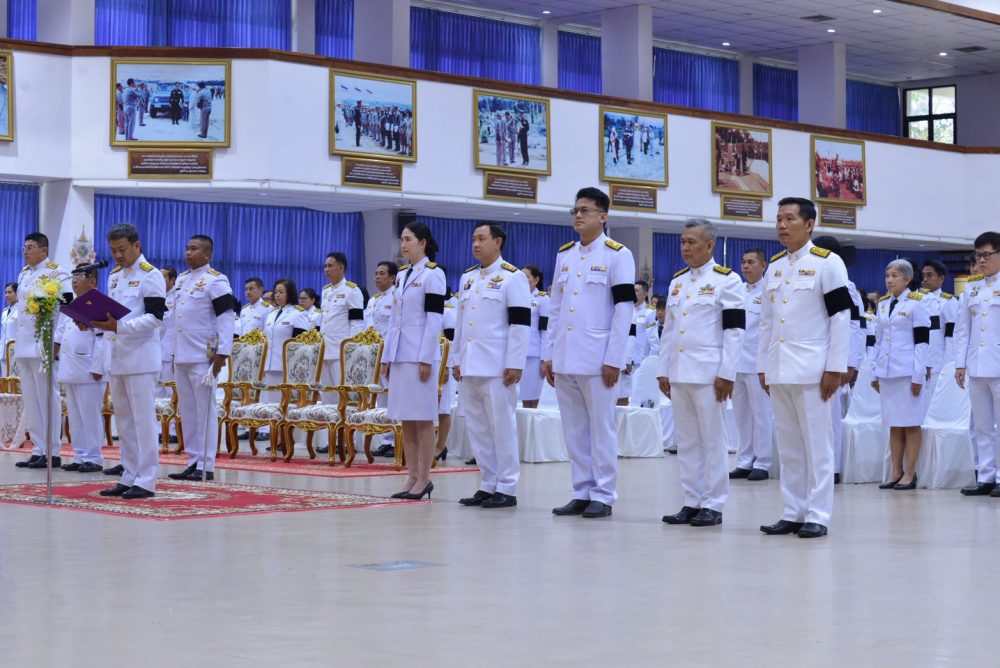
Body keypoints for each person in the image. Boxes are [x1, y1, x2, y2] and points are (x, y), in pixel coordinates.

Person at [757, 197, 851, 539]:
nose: (782, 225)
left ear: (809, 224)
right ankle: (793, 511)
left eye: (790, 219)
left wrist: (835, 368)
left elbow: (841, 317)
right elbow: (767, 322)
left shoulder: (828, 263)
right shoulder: (775, 267)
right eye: (778, 219)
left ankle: (818, 514)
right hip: (779, 367)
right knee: (789, 447)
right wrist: (762, 366)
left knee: (818, 446)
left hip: (813, 370)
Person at [542, 187, 636, 519]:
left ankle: (604, 493)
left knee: (601, 428)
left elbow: (624, 310)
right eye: (575, 210)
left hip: (598, 358)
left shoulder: (617, 254)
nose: (578, 215)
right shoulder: (565, 255)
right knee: (574, 429)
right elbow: (556, 308)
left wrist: (614, 358)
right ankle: (581, 490)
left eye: (585, 210)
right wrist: (549, 354)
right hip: (566, 356)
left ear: (603, 217)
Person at [658, 220, 745, 527]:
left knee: (713, 440)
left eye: (692, 242)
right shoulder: (678, 281)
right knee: (687, 441)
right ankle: (692, 500)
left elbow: (734, 331)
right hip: (680, 372)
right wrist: (663, 370)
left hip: (710, 374)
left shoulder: (727, 280)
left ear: (709, 245)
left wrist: (727, 373)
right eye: (683, 242)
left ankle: (714, 503)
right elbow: (669, 330)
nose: (685, 248)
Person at [453, 223, 531, 508]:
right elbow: (461, 323)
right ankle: (488, 482)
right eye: (473, 239)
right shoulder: (468, 277)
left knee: (502, 426)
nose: (475, 244)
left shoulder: (513, 277)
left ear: (498, 242)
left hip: (498, 366)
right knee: (478, 427)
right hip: (470, 363)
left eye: (482, 239)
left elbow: (520, 324)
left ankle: (507, 486)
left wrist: (515, 362)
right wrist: (456, 359)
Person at [92, 223, 167, 499]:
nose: (117, 255)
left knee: (143, 422)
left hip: (141, 359)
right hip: (117, 356)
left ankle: (146, 480)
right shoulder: (114, 276)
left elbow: (155, 318)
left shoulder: (151, 275)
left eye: (122, 249)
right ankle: (129, 474)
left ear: (137, 246)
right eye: (113, 250)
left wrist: (119, 327)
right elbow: (112, 315)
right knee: (123, 422)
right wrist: (93, 322)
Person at [383, 221, 447, 500]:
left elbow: (434, 319)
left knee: (422, 418)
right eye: (402, 239)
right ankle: (411, 476)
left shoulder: (434, 274)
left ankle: (424, 478)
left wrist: (426, 358)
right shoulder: (402, 275)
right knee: (406, 419)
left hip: (419, 355)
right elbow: (393, 320)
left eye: (408, 239)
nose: (403, 244)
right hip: (400, 354)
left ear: (423, 243)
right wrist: (387, 356)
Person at [166, 235, 234, 482]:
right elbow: (177, 320)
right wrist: (173, 353)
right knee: (188, 412)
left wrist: (222, 353)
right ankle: (193, 460)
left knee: (205, 411)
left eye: (193, 249)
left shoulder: (216, 280)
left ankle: (206, 464)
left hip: (203, 357)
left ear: (207, 254)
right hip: (182, 354)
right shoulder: (182, 279)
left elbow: (226, 318)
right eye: (187, 248)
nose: (188, 252)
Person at [12, 233, 72, 469]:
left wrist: (57, 341)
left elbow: (67, 310)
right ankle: (38, 449)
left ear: (44, 250)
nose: (25, 251)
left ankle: (52, 451)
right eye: (24, 247)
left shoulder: (57, 274)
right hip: (24, 344)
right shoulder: (24, 273)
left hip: (43, 344)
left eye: (30, 247)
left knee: (47, 398)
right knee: (31, 399)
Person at [871, 259, 930, 491]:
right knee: (894, 424)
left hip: (907, 372)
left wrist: (918, 376)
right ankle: (896, 471)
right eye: (887, 276)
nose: (889, 280)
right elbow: (878, 341)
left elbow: (922, 343)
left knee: (911, 423)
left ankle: (910, 472)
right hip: (887, 372)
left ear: (907, 279)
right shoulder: (883, 304)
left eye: (895, 276)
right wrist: (875, 372)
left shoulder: (917, 303)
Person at [954, 231, 1000, 497]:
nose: (981, 260)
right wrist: (960, 364)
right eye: (978, 255)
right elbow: (963, 330)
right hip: (977, 365)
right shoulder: (971, 288)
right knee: (981, 425)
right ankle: (985, 476)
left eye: (986, 255)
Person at [729, 248, 773, 481]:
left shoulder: (769, 291)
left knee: (761, 415)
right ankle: (744, 460)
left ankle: (763, 462)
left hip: (758, 364)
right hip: (737, 362)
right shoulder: (738, 291)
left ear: (763, 266)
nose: (746, 266)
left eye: (751, 262)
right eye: (743, 262)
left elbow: (770, 330)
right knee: (741, 416)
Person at [58, 265, 106, 473]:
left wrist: (98, 366)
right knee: (76, 416)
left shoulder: (99, 304)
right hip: (72, 367)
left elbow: (103, 339)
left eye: (80, 276)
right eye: (73, 276)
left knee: (90, 415)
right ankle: (79, 455)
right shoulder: (73, 304)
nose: (75, 281)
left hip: (89, 369)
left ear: (93, 281)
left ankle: (94, 457)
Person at [319, 253, 364, 409]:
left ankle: (346, 424)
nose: (326, 269)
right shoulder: (325, 291)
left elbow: (357, 323)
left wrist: (352, 350)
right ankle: (330, 425)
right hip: (325, 349)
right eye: (325, 266)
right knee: (327, 396)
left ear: (341, 268)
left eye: (330, 266)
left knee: (345, 396)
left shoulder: (352, 290)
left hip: (341, 351)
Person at [920, 259, 957, 400]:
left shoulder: (948, 302)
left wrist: (947, 366)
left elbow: (951, 337)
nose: (925, 279)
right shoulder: (916, 300)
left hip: (937, 363)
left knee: (932, 402)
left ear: (941, 278)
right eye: (923, 275)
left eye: (929, 275)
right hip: (917, 362)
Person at [622, 281, 656, 406]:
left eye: (636, 290)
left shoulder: (650, 312)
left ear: (645, 293)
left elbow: (652, 339)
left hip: (640, 360)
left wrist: (646, 360)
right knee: (624, 394)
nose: (633, 293)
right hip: (625, 360)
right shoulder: (626, 310)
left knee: (639, 397)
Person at [519, 265, 549, 409]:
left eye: (526, 277)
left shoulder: (543, 299)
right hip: (519, 353)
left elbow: (545, 330)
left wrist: (544, 359)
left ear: (536, 280)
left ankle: (532, 423)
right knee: (523, 396)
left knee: (534, 396)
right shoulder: (516, 296)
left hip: (535, 355)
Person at [0, 282, 17, 371]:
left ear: (17, 293)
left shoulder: (21, 311)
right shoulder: (4, 311)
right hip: (3, 352)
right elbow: (2, 334)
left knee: (15, 378)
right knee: (4, 378)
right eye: (5, 292)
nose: (7, 295)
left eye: (10, 292)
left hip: (15, 352)